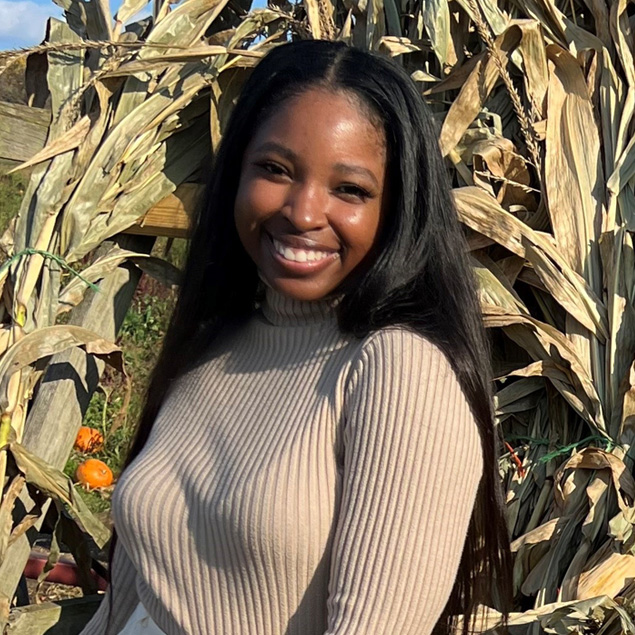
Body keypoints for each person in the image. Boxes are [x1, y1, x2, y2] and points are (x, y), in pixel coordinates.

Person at [81, 39, 512, 635]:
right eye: (275, 170)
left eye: (350, 190)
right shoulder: (211, 346)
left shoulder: (398, 370)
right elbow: (127, 599)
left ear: (397, 208)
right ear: (237, 172)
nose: (304, 212)